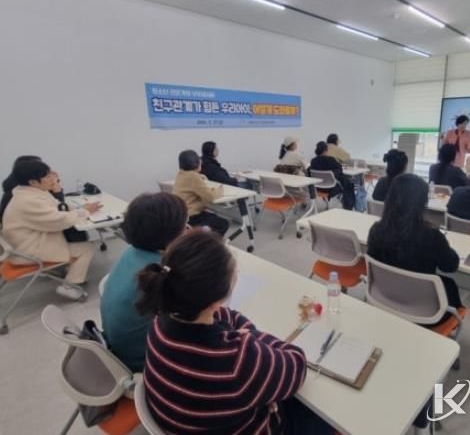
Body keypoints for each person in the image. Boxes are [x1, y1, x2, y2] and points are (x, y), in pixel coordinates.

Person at [137, 230, 335, 434]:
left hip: (192, 423)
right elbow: (297, 363)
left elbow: (226, 315)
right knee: (326, 411)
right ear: (215, 300)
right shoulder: (237, 362)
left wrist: (245, 341)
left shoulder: (159, 322)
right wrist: (249, 338)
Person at [100, 192, 188, 372]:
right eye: (185, 225)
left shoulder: (132, 252)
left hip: (116, 347)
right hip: (141, 362)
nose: (187, 229)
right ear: (172, 234)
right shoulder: (162, 272)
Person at [367, 174, 463, 318]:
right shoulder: (432, 236)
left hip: (385, 298)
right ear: (422, 203)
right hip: (427, 311)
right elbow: (450, 266)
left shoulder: (376, 230)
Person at [1, 160, 100, 300]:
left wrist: (80, 209)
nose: (52, 178)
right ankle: (70, 287)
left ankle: (69, 272)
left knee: (77, 240)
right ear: (33, 182)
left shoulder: (29, 192)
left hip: (28, 243)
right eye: (47, 176)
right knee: (87, 248)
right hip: (28, 252)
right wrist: (84, 212)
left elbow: (57, 207)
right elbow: (58, 221)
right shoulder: (29, 201)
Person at [172, 150, 229, 236]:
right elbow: (210, 197)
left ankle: (202, 235)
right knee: (223, 223)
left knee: (213, 217)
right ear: (197, 163)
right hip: (191, 217)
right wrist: (220, 190)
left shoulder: (181, 174)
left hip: (181, 216)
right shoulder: (193, 176)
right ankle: (203, 240)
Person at [309, 141, 355, 210]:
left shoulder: (313, 161)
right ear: (326, 150)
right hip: (332, 188)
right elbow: (340, 171)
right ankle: (349, 206)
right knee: (349, 183)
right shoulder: (331, 160)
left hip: (318, 187)